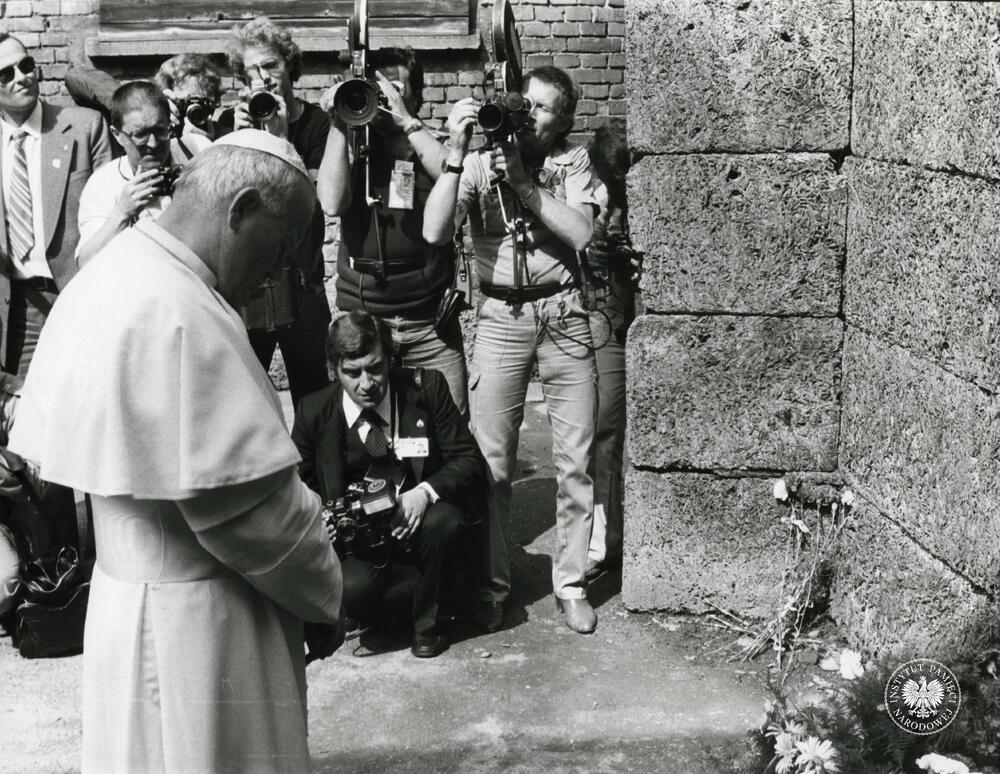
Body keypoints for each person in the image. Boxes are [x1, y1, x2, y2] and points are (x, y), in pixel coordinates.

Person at [8, 130, 344, 773]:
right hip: (205, 628)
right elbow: (252, 514)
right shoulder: (183, 309)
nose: (278, 271)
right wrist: (325, 592)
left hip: (126, 607)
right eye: (280, 246)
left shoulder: (110, 272)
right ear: (242, 209)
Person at [423, 67, 601, 634]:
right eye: (525, 102)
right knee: (493, 463)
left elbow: (582, 234)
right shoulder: (479, 162)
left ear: (563, 122)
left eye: (543, 108)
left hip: (564, 314)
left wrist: (525, 184)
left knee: (575, 461)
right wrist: (456, 153)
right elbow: (434, 231)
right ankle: (493, 585)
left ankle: (570, 584)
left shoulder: (572, 161)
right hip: (500, 318)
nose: (529, 114)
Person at [293, 310, 485, 657]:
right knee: (353, 593)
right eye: (353, 373)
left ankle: (429, 625)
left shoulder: (426, 388)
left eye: (375, 368)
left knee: (447, 524)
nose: (367, 384)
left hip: (419, 520)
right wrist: (318, 519)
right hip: (360, 538)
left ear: (389, 359)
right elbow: (299, 487)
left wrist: (424, 493)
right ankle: (371, 607)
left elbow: (469, 461)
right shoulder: (313, 411)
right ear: (334, 370)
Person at [315, 48, 467, 414]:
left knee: (449, 422)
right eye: (377, 89)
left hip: (429, 323)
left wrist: (406, 123)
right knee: (368, 425)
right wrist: (338, 121)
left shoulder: (430, 144)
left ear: (417, 93)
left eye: (395, 89)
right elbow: (331, 203)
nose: (384, 98)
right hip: (365, 317)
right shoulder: (355, 146)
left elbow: (455, 174)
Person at [228, 16, 333, 407]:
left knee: (313, 399)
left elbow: (316, 203)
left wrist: (282, 142)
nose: (263, 77)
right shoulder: (234, 124)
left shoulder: (317, 125)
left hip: (303, 282)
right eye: (252, 70)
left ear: (289, 65)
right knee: (244, 399)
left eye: (270, 65)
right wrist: (235, 139)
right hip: (250, 284)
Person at [0, 32, 111, 377]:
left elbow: (110, 213)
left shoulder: (84, 127)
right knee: (22, 405)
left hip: (80, 298)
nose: (22, 77)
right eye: (6, 74)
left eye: (26, 65)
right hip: (17, 309)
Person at [584, 121, 637, 581]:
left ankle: (614, 536)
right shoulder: (597, 198)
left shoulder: (639, 198)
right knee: (604, 428)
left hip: (631, 315)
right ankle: (604, 540)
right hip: (608, 321)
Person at [75, 82, 178, 267]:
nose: (153, 143)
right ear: (117, 135)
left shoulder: (194, 157)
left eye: (160, 130)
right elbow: (85, 261)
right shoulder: (103, 184)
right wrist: (122, 213)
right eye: (141, 135)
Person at [154, 53, 225, 154]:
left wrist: (207, 145)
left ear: (216, 101)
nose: (195, 111)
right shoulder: (159, 137)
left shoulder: (227, 138)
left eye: (202, 103)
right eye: (185, 103)